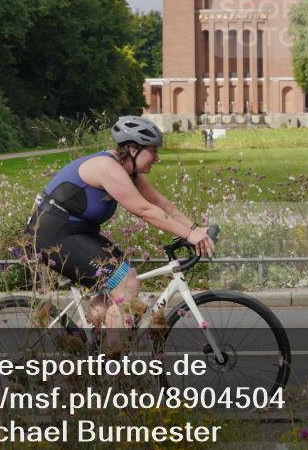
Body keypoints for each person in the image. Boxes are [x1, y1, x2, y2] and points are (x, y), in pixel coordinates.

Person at [26, 116, 215, 332]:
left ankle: (82, 346)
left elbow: (163, 205)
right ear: (133, 150)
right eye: (153, 151)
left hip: (78, 233)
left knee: (121, 284)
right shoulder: (107, 167)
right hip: (54, 235)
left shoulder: (127, 171)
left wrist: (195, 229)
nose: (157, 157)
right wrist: (190, 236)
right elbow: (144, 210)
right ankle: (114, 363)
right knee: (126, 284)